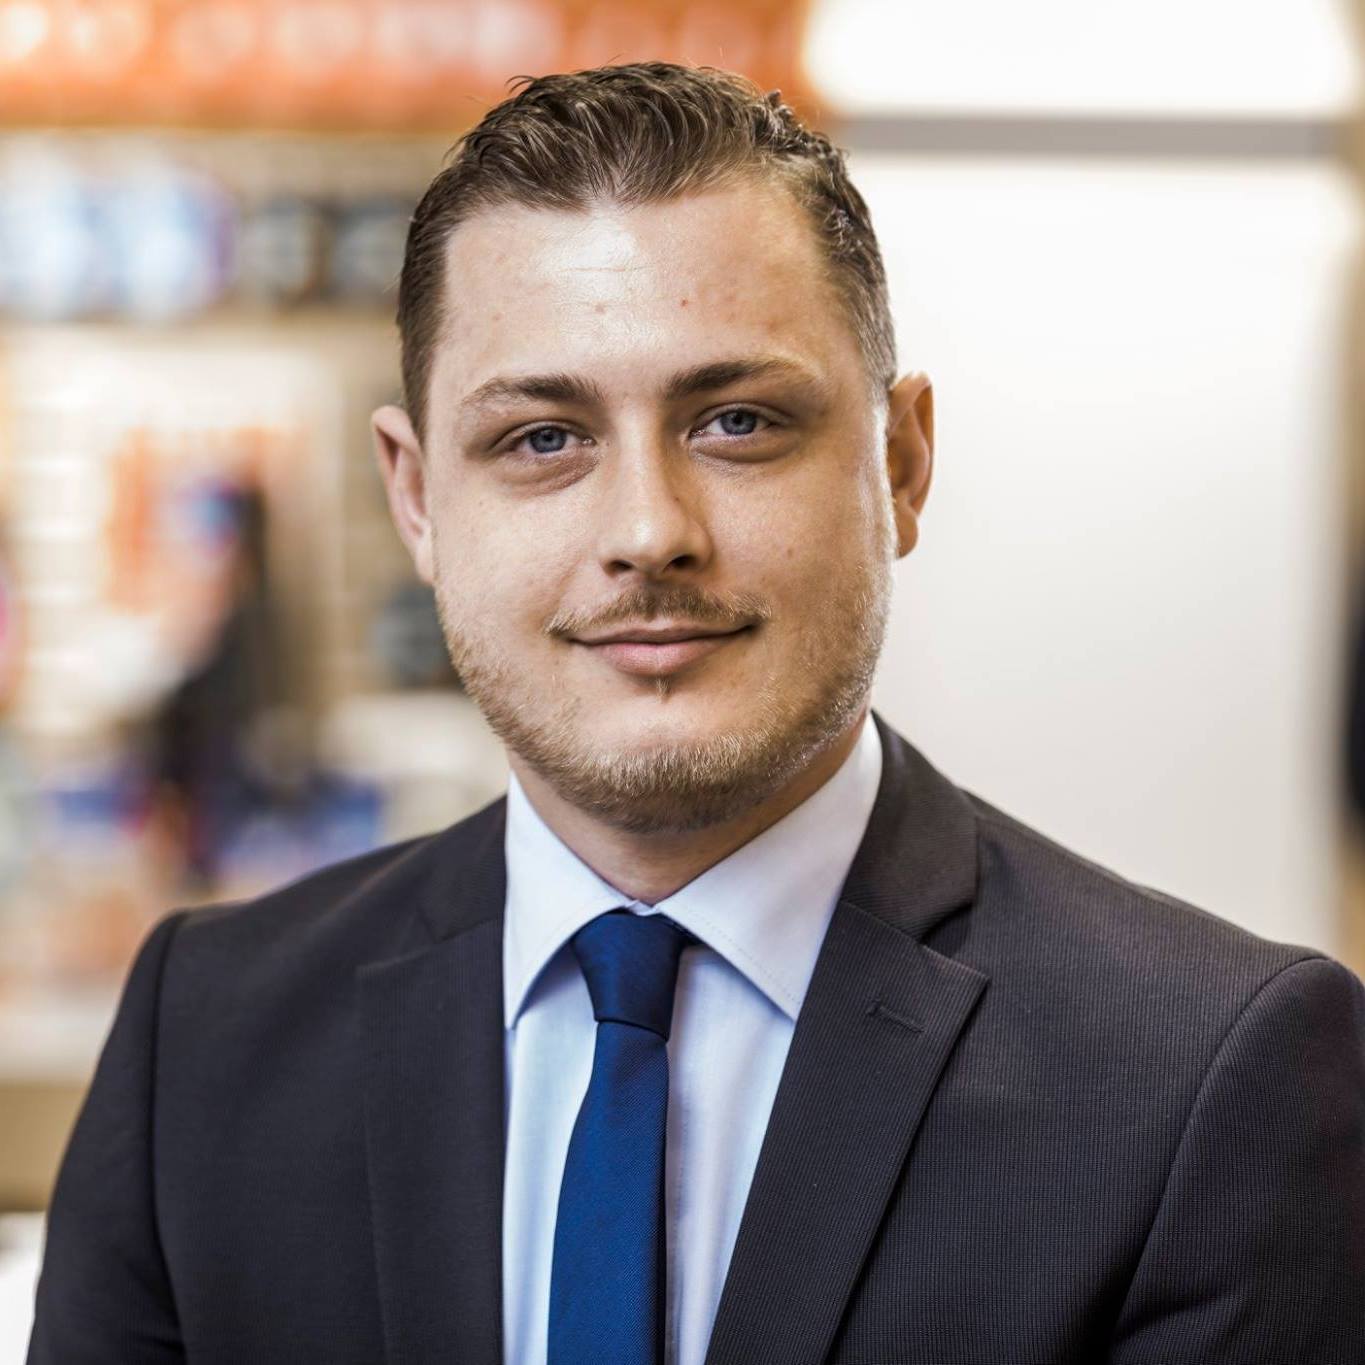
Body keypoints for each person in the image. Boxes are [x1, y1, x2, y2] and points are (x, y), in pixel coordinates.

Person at [27, 64, 1365, 1365]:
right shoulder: (206, 1038)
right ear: (418, 497)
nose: (648, 530)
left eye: (736, 422)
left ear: (901, 465)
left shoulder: (1207, 1080)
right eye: (543, 438)